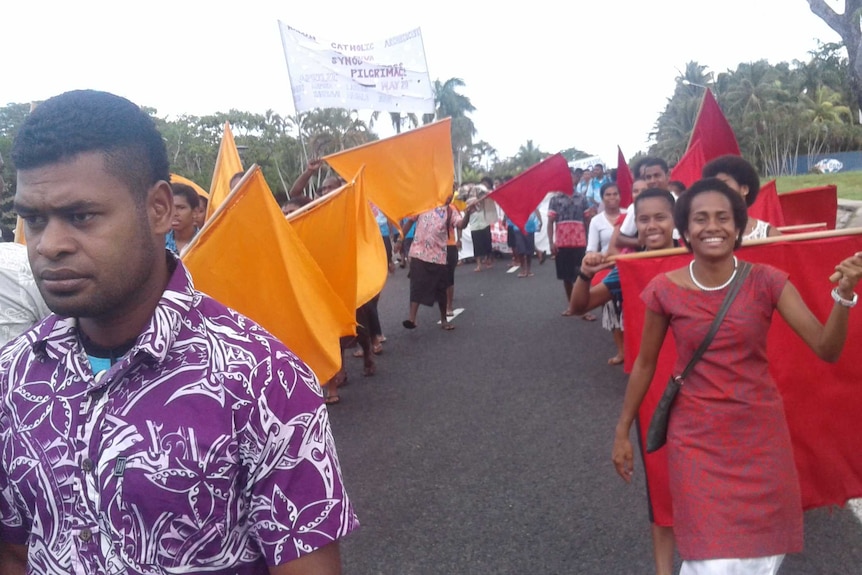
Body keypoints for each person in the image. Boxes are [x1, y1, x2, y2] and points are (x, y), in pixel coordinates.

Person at [2, 89, 357, 574]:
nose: (50, 245)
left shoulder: (264, 379)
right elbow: (15, 551)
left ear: (158, 209)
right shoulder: (13, 375)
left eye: (81, 216)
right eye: (34, 220)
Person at [612, 177, 862, 575]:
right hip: (694, 440)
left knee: (759, 560)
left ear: (739, 227)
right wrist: (623, 431)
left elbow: (826, 349)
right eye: (700, 219)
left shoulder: (768, 281)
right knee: (711, 562)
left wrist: (845, 294)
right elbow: (644, 364)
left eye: (723, 218)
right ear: (685, 231)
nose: (712, 227)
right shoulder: (664, 289)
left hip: (760, 441)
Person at [402, 197, 472, 330]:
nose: (449, 194)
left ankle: (444, 319)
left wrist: (468, 213)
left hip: (438, 256)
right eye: (447, 190)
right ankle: (412, 318)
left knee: (441, 288)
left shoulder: (451, 210)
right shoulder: (424, 203)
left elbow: (461, 224)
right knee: (416, 285)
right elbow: (410, 222)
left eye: (451, 191)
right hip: (418, 252)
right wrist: (400, 240)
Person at [583, 182, 627, 364]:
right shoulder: (596, 221)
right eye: (608, 194)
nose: (612, 198)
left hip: (630, 267)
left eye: (615, 194)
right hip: (608, 269)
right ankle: (622, 351)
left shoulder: (630, 214)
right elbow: (591, 249)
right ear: (602, 198)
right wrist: (599, 258)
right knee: (611, 310)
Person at [701, 154, 782, 240]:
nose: (719, 190)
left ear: (744, 189)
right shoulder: (704, 234)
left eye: (724, 183)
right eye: (715, 185)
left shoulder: (769, 235)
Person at [547, 176, 590, 317]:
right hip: (562, 242)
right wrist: (551, 242)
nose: (568, 180)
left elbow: (587, 220)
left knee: (582, 276)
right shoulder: (555, 199)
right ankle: (572, 306)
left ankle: (583, 309)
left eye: (571, 178)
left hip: (580, 242)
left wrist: (590, 240)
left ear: (575, 180)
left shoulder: (582, 198)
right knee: (566, 276)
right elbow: (550, 222)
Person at [164, 182, 199, 255]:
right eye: (171, 207)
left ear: (195, 212)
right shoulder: (160, 243)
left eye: (181, 208)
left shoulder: (205, 242)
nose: (174, 213)